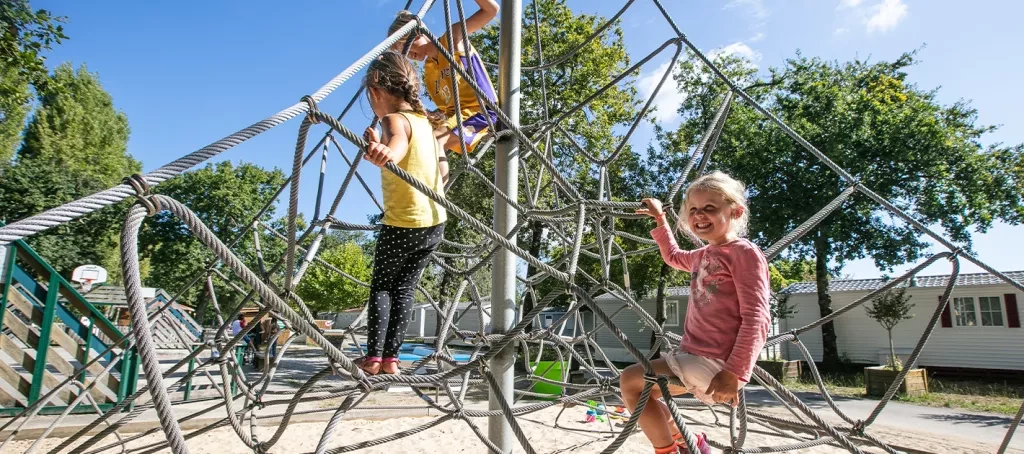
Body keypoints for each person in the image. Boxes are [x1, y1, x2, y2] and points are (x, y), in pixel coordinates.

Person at [621, 172, 770, 454]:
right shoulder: (703, 255)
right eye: (693, 210)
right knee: (641, 392)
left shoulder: (743, 252)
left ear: (736, 211)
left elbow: (758, 317)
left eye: (710, 208)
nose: (700, 215)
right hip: (695, 356)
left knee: (630, 381)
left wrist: (735, 372)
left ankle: (669, 449)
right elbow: (674, 256)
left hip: (716, 362)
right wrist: (660, 220)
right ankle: (690, 442)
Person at [358, 51, 447, 376]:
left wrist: (384, 151)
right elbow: (441, 168)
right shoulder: (426, 123)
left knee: (382, 287)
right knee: (405, 289)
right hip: (434, 224)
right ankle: (392, 360)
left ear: (376, 91)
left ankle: (374, 359)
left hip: (403, 223)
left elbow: (395, 147)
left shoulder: (392, 119)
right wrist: (378, 146)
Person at [387, 1, 500, 180]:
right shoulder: (429, 70)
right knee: (413, 134)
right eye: (402, 51)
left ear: (417, 34)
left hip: (481, 111)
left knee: (437, 139)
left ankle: (437, 198)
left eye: (404, 46)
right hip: (457, 117)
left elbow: (491, 10)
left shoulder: (452, 39)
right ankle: (416, 185)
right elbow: (445, 109)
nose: (408, 54)